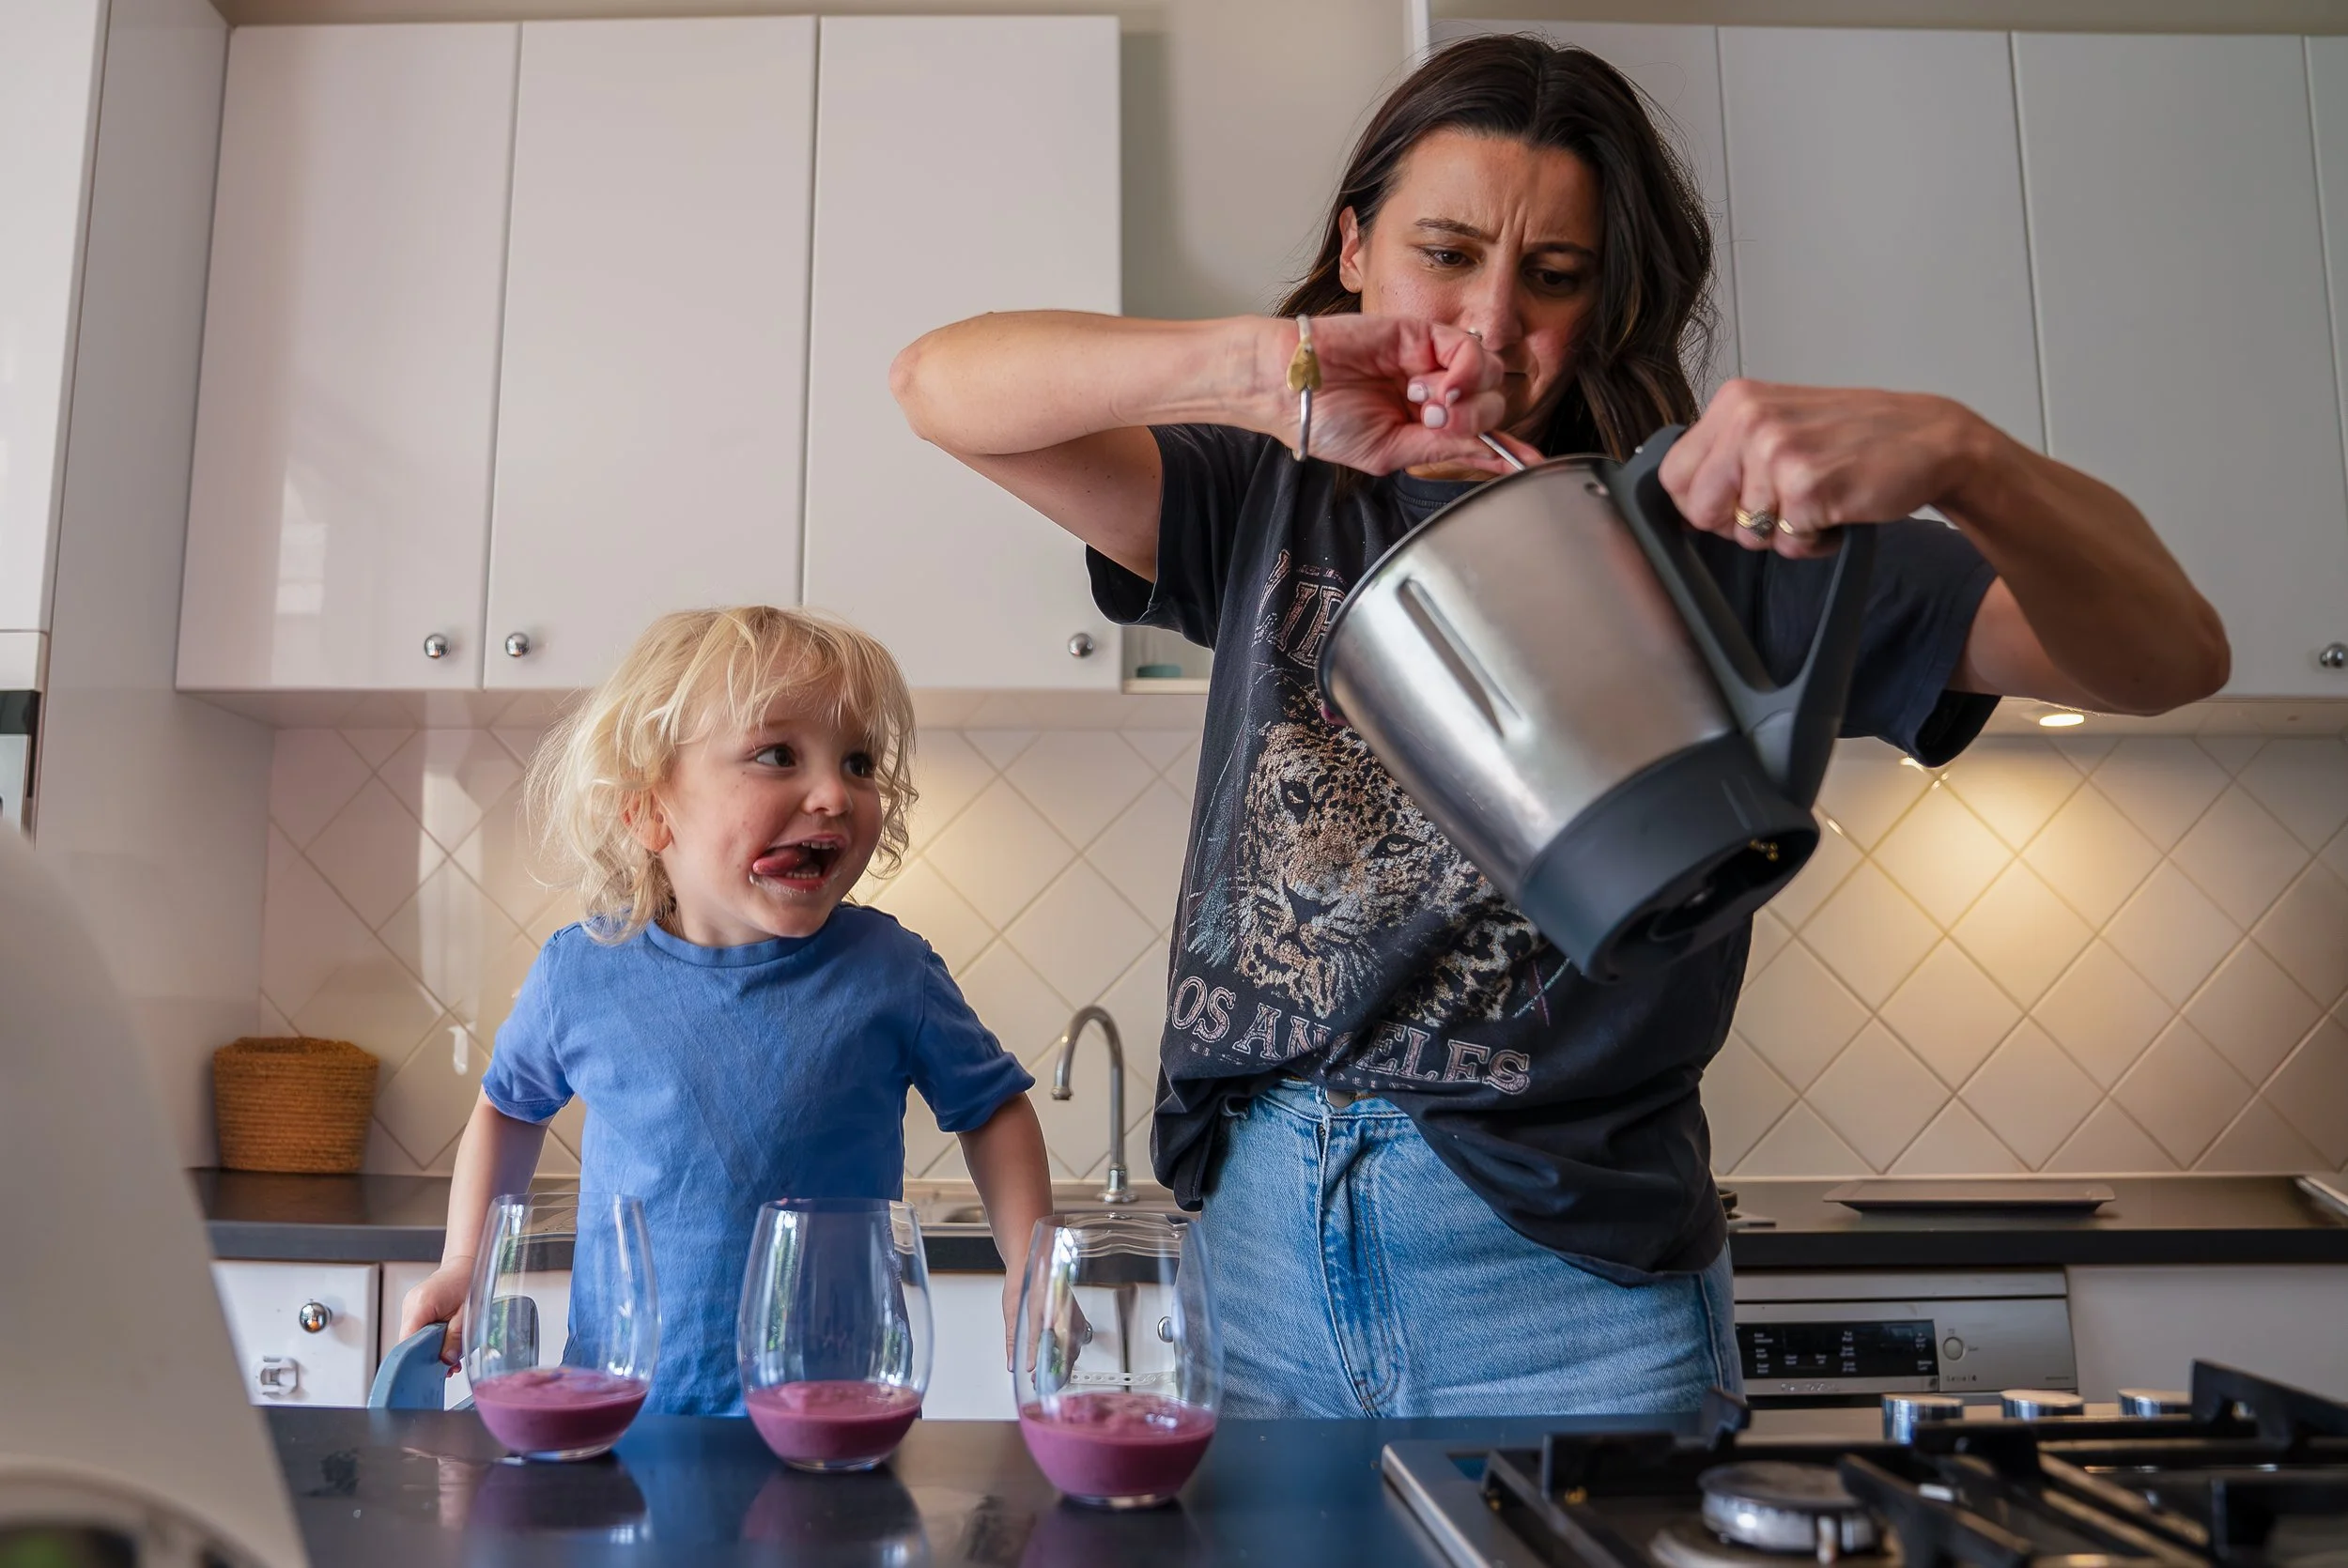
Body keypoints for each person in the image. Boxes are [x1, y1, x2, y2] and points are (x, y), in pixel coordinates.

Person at [888, 36, 2226, 1418]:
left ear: (1607, 303)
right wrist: (1267, 366)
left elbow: (2172, 655)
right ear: (1354, 248)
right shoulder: (1265, 497)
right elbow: (939, 385)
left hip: (1563, 1287)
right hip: (1260, 1251)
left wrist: (1968, 453)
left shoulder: (1719, 528)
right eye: (1444, 253)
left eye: (1554, 277)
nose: (1486, 324)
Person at [398, 606, 1053, 1414]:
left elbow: (994, 1110)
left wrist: (1032, 1261)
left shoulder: (891, 971)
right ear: (648, 809)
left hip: (836, 1409)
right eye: (778, 755)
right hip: (626, 1404)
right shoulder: (582, 972)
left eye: (858, 762)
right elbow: (507, 1108)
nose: (834, 795)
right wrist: (466, 1262)